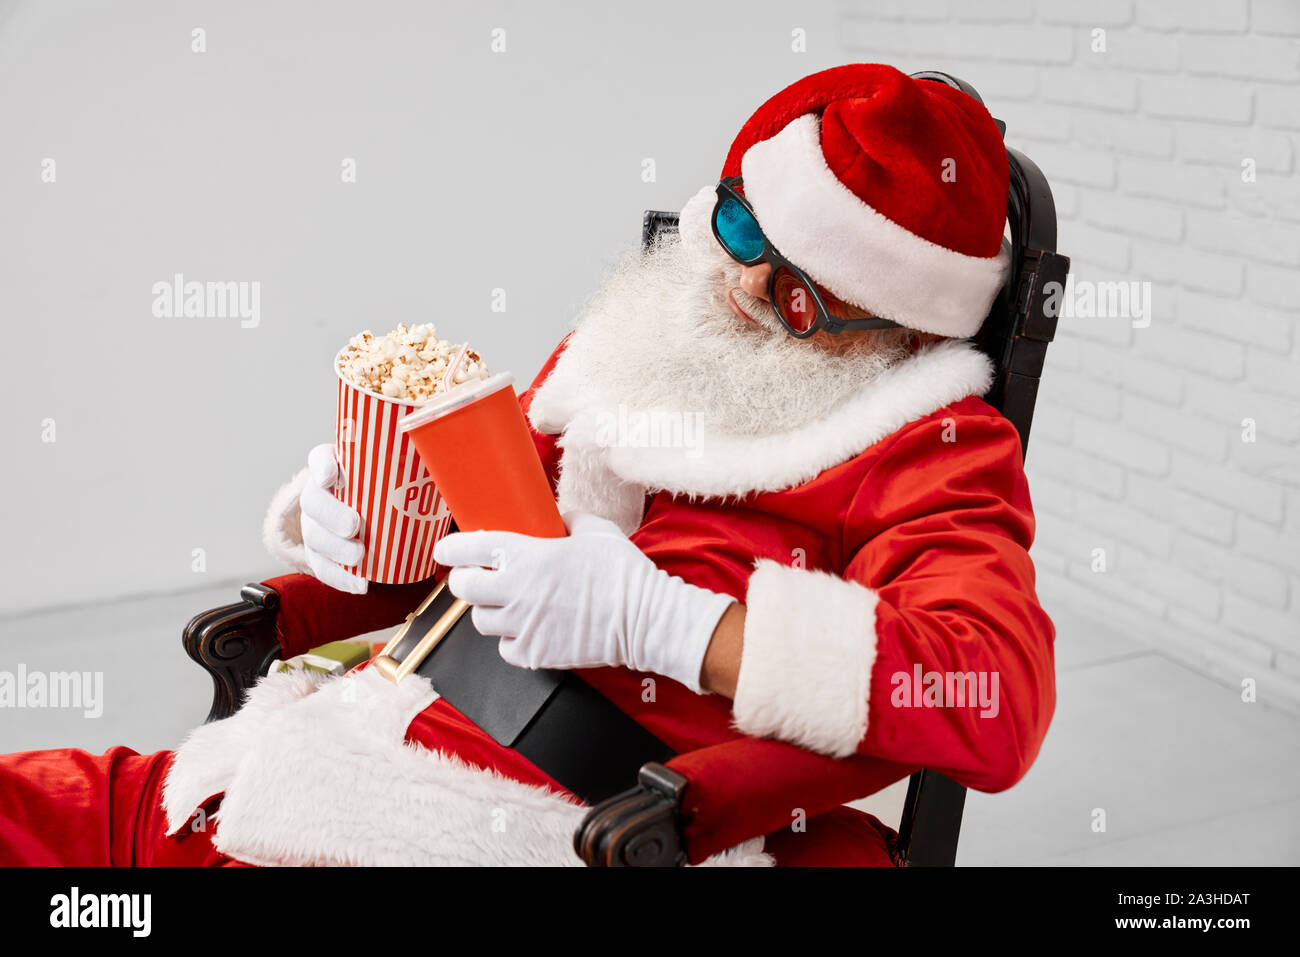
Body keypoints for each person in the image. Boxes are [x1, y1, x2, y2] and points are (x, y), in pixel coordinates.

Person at [0, 63, 1055, 867]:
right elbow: (482, 519)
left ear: (904, 335)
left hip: (509, 822)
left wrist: (671, 624)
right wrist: (370, 523)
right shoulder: (656, 329)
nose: (739, 289)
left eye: (798, 298)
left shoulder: (933, 450)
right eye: (739, 227)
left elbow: (992, 696)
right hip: (331, 742)